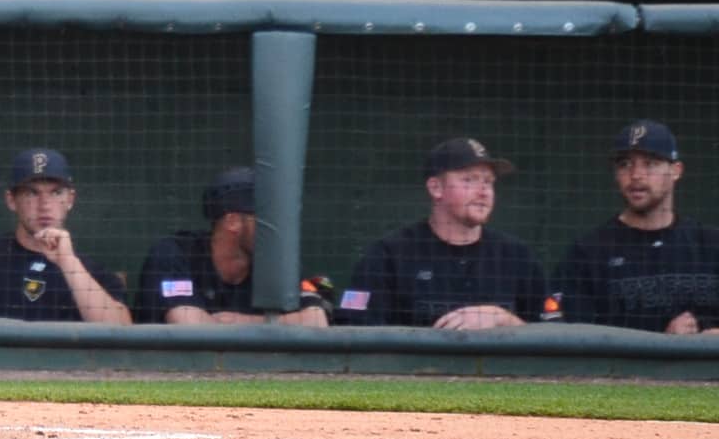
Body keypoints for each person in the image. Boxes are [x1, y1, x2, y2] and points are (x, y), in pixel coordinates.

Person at [337, 138, 558, 329]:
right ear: (436, 188)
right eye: (469, 180)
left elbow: (554, 333)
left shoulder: (516, 256)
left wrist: (504, 320)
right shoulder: (388, 254)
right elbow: (352, 326)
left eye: (488, 182)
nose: (483, 192)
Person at [0, 149, 131, 324]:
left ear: (70, 199)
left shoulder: (92, 272)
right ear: (11, 200)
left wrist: (68, 262)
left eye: (56, 193)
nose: (45, 205)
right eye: (31, 193)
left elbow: (121, 332)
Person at [555, 121, 719, 334]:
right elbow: (571, 340)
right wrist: (663, 342)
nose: (636, 175)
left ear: (675, 171)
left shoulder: (711, 246)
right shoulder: (587, 253)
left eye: (650, 163)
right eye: (625, 164)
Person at [131, 166, 333, 326]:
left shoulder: (277, 263)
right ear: (233, 222)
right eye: (265, 220)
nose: (275, 229)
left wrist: (243, 322)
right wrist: (282, 326)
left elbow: (316, 320)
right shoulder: (174, 252)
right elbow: (189, 326)